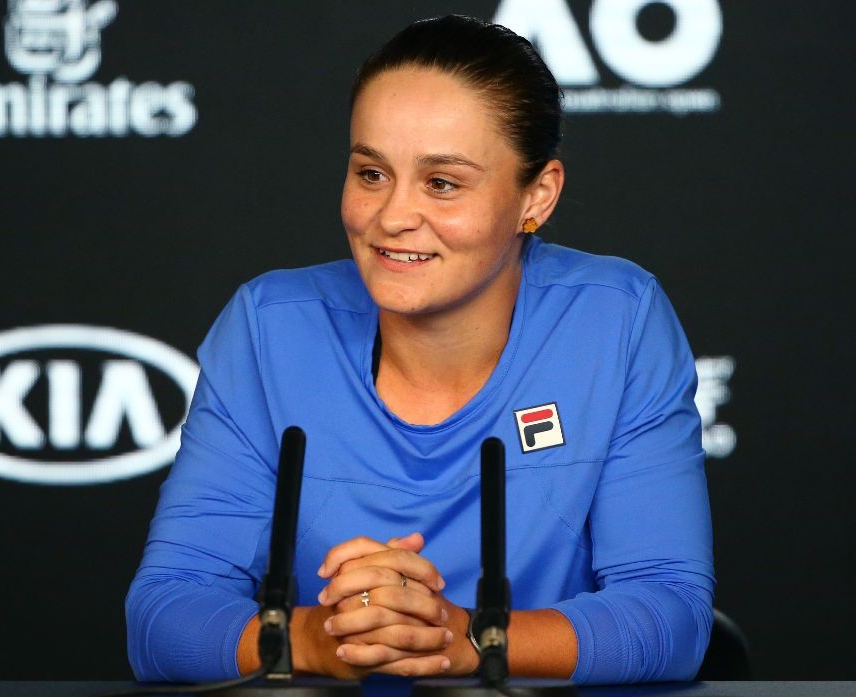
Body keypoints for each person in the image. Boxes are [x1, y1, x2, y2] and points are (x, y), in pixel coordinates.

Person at [126, 14, 714, 690]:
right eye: (371, 172)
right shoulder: (269, 328)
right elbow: (162, 616)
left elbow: (671, 614)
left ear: (537, 195)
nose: (392, 216)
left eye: (442, 183)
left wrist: (466, 637)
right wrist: (311, 639)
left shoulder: (617, 319)